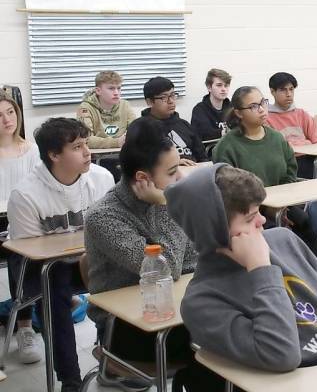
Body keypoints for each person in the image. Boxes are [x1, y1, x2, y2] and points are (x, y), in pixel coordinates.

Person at [166, 163, 317, 373]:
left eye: (259, 211)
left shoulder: (283, 240)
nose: (262, 221)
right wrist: (261, 269)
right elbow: (281, 354)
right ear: (215, 232)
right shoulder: (202, 303)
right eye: (250, 218)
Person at [84, 117, 201, 389]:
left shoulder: (171, 197)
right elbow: (168, 267)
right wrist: (165, 206)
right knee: (220, 347)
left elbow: (193, 263)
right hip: (127, 327)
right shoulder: (104, 218)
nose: (180, 178)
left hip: (174, 313)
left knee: (234, 328)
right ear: (142, 179)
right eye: (172, 172)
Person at [7, 117, 114, 392]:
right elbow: (33, 254)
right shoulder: (25, 194)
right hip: (39, 268)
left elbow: (111, 228)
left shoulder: (101, 179)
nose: (88, 151)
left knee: (124, 271)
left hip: (85, 259)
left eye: (86, 144)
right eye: (77, 147)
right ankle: (70, 378)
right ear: (54, 155)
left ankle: (112, 353)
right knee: (55, 285)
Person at [212, 86, 317, 258]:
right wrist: (266, 209)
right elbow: (229, 190)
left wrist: (282, 205)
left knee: (307, 223)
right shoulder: (227, 147)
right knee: (272, 232)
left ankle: (315, 277)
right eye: (254, 106)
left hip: (282, 204)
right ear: (239, 113)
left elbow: (290, 171)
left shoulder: (276, 138)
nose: (262, 109)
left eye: (263, 102)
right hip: (248, 212)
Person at [0, 92, 41, 364]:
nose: (7, 120)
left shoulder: (31, 149)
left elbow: (36, 189)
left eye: (10, 113)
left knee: (20, 254)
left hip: (21, 219)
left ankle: (25, 326)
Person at [266, 72, 317, 179]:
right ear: (272, 91)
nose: (288, 94)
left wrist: (306, 145)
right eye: (283, 90)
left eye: (291, 89)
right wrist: (306, 143)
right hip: (291, 161)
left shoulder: (301, 114)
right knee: (310, 168)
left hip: (311, 156)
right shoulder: (267, 118)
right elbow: (280, 148)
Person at [141, 76, 207, 165]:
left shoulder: (184, 124)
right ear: (149, 102)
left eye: (172, 95)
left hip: (193, 173)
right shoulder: (141, 128)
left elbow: (202, 157)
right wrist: (173, 164)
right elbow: (143, 162)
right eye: (164, 97)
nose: (171, 101)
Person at [76, 71, 136, 149]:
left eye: (119, 88)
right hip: (97, 156)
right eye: (111, 88)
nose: (116, 93)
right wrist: (116, 142)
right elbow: (85, 139)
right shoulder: (85, 108)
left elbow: (136, 130)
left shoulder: (125, 105)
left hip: (123, 153)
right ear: (98, 91)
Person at [191, 68, 232, 141]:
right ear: (209, 87)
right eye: (219, 85)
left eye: (226, 85)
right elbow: (205, 134)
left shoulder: (232, 107)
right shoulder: (199, 110)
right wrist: (227, 133)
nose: (224, 89)